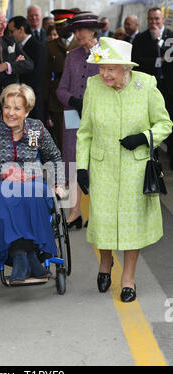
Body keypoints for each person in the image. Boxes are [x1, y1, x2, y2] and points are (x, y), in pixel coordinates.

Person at [76, 37, 172, 302]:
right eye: (101, 67)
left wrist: (143, 137)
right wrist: (81, 167)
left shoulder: (146, 85)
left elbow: (164, 124)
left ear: (126, 69)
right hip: (102, 166)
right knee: (103, 220)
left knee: (132, 225)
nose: (104, 74)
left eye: (111, 68)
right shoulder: (93, 86)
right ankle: (105, 263)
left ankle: (128, 277)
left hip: (135, 168)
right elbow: (85, 132)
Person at [0, 83, 66, 285]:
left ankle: (26, 257)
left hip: (31, 179)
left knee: (35, 194)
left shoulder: (36, 129)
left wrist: (59, 182)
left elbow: (54, 157)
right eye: (7, 107)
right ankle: (24, 257)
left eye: (17, 108)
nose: (11, 113)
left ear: (27, 110)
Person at [56, 11, 106, 229]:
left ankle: (97, 213)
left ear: (91, 30)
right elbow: (60, 89)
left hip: (100, 118)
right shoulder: (72, 55)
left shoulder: (107, 52)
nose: (76, 34)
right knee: (74, 163)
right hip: (73, 117)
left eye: (79, 30)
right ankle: (74, 212)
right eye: (74, 30)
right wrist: (73, 100)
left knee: (97, 163)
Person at [132, 7, 173, 169]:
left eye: (157, 19)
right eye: (151, 19)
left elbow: (169, 59)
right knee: (149, 124)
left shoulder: (170, 36)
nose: (153, 22)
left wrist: (160, 45)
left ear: (163, 19)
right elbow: (137, 61)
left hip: (169, 90)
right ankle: (151, 160)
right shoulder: (140, 39)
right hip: (148, 90)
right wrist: (159, 60)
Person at [0, 6, 34, 107]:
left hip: (14, 101)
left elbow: (29, 64)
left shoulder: (10, 41)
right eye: (0, 23)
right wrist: (16, 70)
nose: (4, 27)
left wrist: (7, 66)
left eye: (5, 22)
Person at [43, 8, 79, 152]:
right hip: (57, 99)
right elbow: (45, 76)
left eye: (62, 24)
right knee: (61, 137)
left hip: (77, 96)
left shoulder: (80, 44)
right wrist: (46, 101)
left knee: (76, 137)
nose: (59, 29)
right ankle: (64, 169)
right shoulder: (50, 46)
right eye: (57, 25)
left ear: (70, 24)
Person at [7, 16, 46, 122]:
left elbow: (37, 76)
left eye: (11, 31)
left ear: (21, 30)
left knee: (33, 135)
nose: (9, 35)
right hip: (21, 100)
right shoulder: (17, 47)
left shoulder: (37, 47)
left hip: (32, 100)